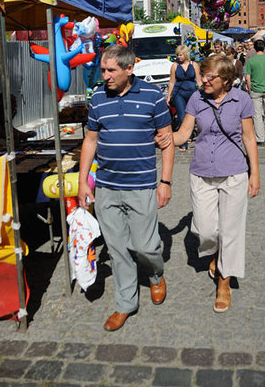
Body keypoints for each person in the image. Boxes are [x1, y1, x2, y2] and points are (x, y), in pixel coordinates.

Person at [78, 45, 174, 332]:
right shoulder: (98, 98)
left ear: (129, 69)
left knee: (145, 246)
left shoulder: (152, 96)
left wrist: (165, 182)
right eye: (103, 70)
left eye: (111, 70)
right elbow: (90, 140)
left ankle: (156, 274)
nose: (105, 75)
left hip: (142, 186)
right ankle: (125, 303)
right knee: (118, 249)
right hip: (107, 187)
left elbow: (167, 141)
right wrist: (84, 180)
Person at [171, 54, 260, 313]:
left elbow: (249, 137)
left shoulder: (241, 99)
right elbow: (184, 133)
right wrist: (163, 136)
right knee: (206, 230)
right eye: (204, 75)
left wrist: (255, 174)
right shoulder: (196, 98)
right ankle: (215, 254)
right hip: (201, 173)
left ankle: (224, 281)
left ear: (227, 80)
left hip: (234, 172)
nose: (204, 80)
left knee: (231, 230)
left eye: (211, 77)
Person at [166, 44, 201, 151]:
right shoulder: (175, 66)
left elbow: (199, 80)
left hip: (192, 93)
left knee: (193, 116)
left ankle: (190, 135)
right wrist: (168, 96)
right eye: (177, 55)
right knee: (181, 116)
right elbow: (172, 82)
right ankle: (183, 143)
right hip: (179, 93)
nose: (178, 57)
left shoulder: (194, 65)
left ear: (186, 54)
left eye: (180, 55)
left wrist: (202, 92)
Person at [244, 39, 265, 145]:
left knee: (257, 115)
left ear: (254, 48)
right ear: (264, 47)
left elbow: (247, 77)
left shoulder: (251, 61)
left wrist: (249, 88)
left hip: (255, 89)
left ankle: (260, 137)